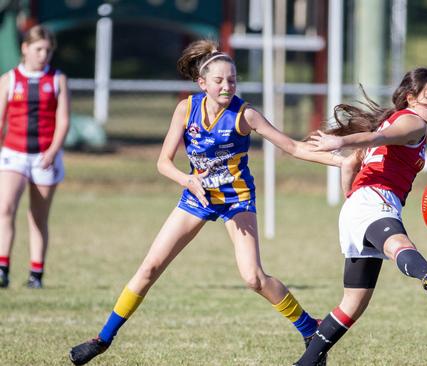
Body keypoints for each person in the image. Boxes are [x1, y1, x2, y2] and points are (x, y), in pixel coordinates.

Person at [68, 39, 340, 365]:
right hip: (197, 198)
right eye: (219, 80)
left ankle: (310, 329)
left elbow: (293, 148)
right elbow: (163, 162)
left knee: (253, 277)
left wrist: (343, 161)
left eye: (232, 80)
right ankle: (102, 339)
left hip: (236, 200)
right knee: (150, 267)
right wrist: (187, 180)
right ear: (203, 83)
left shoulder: (246, 114)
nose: (227, 86)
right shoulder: (186, 109)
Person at [292, 68, 427, 365]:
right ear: (410, 98)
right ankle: (426, 272)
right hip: (376, 201)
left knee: (353, 303)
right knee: (396, 243)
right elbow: (380, 137)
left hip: (360, 205)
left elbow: (351, 164)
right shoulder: (412, 122)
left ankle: (307, 362)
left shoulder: (394, 119)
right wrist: (341, 142)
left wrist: (350, 197)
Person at [0, 25, 70, 289]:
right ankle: (3, 268)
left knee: (38, 217)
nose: (44, 55)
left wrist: (52, 151)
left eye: (48, 50)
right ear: (25, 48)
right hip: (13, 154)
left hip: (45, 156)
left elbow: (63, 121)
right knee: (5, 209)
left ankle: (36, 274)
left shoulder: (57, 79)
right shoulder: (9, 79)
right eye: (39, 49)